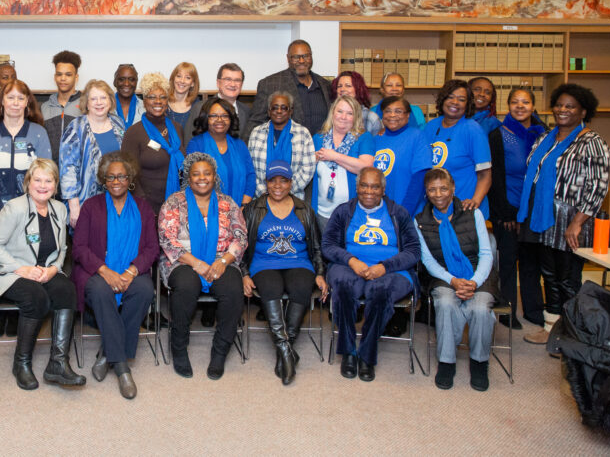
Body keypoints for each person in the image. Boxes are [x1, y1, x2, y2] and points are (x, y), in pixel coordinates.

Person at [517, 84, 610, 346]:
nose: (562, 110)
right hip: (544, 216)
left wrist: (578, 222)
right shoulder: (546, 137)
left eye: (570, 106)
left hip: (570, 220)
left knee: (568, 279)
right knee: (549, 275)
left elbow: (598, 187)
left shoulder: (592, 142)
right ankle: (550, 329)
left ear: (583, 111)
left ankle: (570, 335)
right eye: (559, 105)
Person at [0, 158, 86, 390]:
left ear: (55, 185)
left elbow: (63, 248)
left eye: (48, 180)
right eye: (37, 180)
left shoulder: (59, 209)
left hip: (43, 271)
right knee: (35, 297)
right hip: (10, 273)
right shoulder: (15, 208)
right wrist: (22, 269)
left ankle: (58, 363)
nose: (42, 185)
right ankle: (22, 363)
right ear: (28, 183)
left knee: (67, 290)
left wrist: (53, 269)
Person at [72, 152, 159, 399]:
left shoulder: (142, 207)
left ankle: (107, 352)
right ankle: (122, 368)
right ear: (104, 180)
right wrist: (106, 272)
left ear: (129, 178)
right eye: (111, 177)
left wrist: (131, 271)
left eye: (121, 176)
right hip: (97, 270)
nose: (116, 181)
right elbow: (79, 248)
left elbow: (152, 248)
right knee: (100, 290)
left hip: (132, 269)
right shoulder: (91, 206)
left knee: (143, 290)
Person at [322, 167, 420, 382]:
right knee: (343, 286)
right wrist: (351, 260)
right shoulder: (343, 211)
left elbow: (413, 251)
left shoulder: (399, 213)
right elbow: (327, 245)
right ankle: (348, 351)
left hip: (392, 270)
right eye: (364, 185)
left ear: (383, 190)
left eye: (375, 186)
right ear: (357, 188)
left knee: (380, 291)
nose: (369, 191)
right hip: (350, 266)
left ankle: (367, 354)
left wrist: (384, 267)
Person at [158, 152, 247, 380]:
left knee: (233, 291)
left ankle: (220, 352)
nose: (201, 178)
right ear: (188, 176)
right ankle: (179, 348)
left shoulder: (227, 203)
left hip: (221, 259)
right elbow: (167, 239)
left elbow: (240, 237)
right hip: (183, 261)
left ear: (214, 176)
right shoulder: (174, 202)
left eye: (206, 173)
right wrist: (197, 263)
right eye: (195, 173)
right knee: (186, 287)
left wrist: (224, 260)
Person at [0, 78, 51, 337]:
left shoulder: (38, 133)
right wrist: (1, 211)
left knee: (25, 258)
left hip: (30, 212)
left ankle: (19, 310)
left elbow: (45, 175)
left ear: (27, 102)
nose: (15, 102)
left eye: (21, 97)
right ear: (2, 101)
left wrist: (26, 209)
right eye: (11, 97)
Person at [241, 160, 326, 385]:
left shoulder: (304, 209)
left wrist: (319, 272)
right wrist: (244, 273)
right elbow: (241, 245)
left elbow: (316, 245)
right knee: (271, 288)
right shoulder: (254, 209)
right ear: (266, 183)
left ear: (291, 183)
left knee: (301, 287)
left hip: (299, 261)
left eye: (283, 180)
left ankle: (284, 351)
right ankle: (286, 351)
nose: (278, 185)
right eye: (273, 180)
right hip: (264, 263)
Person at [415, 168, 497, 392]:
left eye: (443, 188)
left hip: (477, 273)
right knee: (446, 302)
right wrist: (453, 280)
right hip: (442, 275)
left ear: (453, 189)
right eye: (432, 189)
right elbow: (429, 262)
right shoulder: (420, 221)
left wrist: (475, 281)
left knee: (480, 308)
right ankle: (446, 362)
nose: (438, 194)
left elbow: (486, 253)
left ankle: (479, 362)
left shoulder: (473, 213)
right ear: (426, 193)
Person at [487, 88, 547, 330]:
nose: (520, 106)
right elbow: (495, 177)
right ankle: (507, 312)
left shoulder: (545, 136)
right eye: (515, 102)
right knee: (508, 263)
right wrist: (506, 214)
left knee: (532, 263)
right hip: (508, 210)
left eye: (525, 102)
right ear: (507, 105)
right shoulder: (498, 135)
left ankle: (534, 311)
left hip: (535, 211)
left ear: (533, 106)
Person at [410, 80, 492, 218]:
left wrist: (475, 202)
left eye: (461, 99)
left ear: (467, 104)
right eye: (450, 97)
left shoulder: (473, 129)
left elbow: (485, 175)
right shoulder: (431, 126)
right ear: (443, 99)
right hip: (436, 208)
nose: (455, 102)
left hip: (465, 210)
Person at [59, 79, 125, 228]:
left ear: (110, 100)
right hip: (85, 201)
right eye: (93, 99)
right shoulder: (76, 127)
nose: (99, 102)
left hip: (116, 198)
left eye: (103, 98)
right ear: (86, 103)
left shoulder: (118, 123)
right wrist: (74, 205)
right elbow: (67, 169)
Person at [120, 72, 185, 216]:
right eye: (152, 97)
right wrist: (144, 206)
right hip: (146, 207)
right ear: (144, 101)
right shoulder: (133, 133)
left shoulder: (177, 129)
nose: (158, 101)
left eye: (163, 97)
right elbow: (129, 174)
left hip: (177, 204)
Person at [311, 96, 375, 231]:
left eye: (349, 113)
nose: (343, 117)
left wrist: (334, 156)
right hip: (321, 212)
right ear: (333, 113)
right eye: (340, 111)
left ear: (356, 117)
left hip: (351, 212)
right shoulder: (318, 138)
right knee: (323, 250)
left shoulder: (363, 138)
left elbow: (366, 167)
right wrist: (313, 160)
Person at [251, 39, 332, 135]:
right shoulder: (269, 84)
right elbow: (256, 122)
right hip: (287, 148)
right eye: (296, 57)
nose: (301, 61)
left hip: (321, 148)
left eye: (306, 56)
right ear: (288, 58)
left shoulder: (325, 85)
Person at [186, 98, 256, 207]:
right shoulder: (196, 144)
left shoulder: (240, 145)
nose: (219, 120)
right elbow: (190, 180)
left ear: (231, 119)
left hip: (239, 211)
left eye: (225, 116)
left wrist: (243, 206)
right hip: (205, 211)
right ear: (206, 119)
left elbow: (250, 176)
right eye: (214, 116)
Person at [248, 91, 315, 200]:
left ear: (290, 111)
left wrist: (284, 191)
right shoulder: (256, 133)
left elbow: (308, 169)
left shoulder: (303, 134)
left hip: (293, 199)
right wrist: (265, 193)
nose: (279, 111)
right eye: (275, 107)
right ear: (269, 111)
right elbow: (251, 169)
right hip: (261, 200)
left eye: (284, 108)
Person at [372, 96, 422, 215]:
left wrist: (405, 212)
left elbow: (420, 178)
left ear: (408, 115)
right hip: (378, 212)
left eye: (398, 111)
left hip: (407, 210)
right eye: (388, 111)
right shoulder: (375, 139)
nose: (392, 115)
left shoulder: (417, 136)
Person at [184, 63, 248, 145]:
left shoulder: (247, 111)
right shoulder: (200, 108)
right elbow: (189, 141)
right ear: (218, 83)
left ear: (241, 84)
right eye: (228, 79)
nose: (233, 84)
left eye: (237, 80)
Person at [41, 50, 82, 162]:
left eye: (68, 75)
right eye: (59, 74)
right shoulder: (44, 107)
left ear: (76, 77)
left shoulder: (86, 105)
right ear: (55, 77)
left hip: (77, 171)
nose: (63, 78)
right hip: (50, 171)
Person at [332, 71, 382, 135]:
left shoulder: (371, 118)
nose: (342, 89)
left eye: (348, 86)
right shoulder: (331, 115)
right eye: (339, 86)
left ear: (358, 89)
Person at [167, 61, 201, 132]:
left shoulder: (198, 107)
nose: (182, 81)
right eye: (179, 76)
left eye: (187, 78)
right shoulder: (162, 103)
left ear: (192, 83)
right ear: (173, 79)